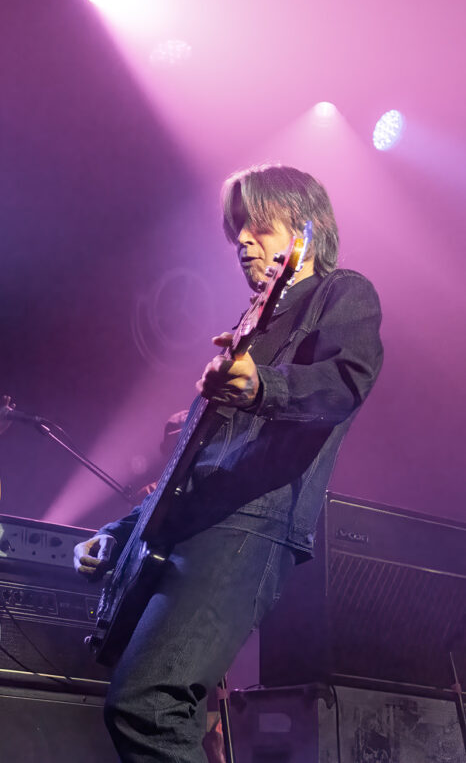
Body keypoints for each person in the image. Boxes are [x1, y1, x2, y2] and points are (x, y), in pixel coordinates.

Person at [74, 164, 384, 762]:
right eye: (237, 229)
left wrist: (264, 386)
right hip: (199, 526)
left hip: (252, 523)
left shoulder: (341, 293)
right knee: (150, 705)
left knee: (149, 704)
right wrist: (120, 534)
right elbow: (194, 466)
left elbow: (346, 383)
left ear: (304, 231)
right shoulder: (251, 325)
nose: (242, 240)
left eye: (258, 226)